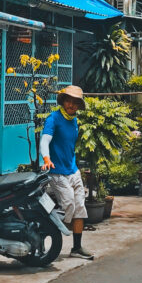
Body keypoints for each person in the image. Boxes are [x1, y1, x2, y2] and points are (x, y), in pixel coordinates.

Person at [40, 85, 93, 261]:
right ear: (63, 101)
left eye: (75, 102)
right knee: (69, 205)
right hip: (57, 172)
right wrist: (47, 159)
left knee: (80, 209)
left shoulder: (74, 121)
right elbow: (45, 140)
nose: (71, 104)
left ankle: (76, 248)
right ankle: (44, 231)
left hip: (73, 170)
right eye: (68, 100)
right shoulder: (53, 118)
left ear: (78, 105)